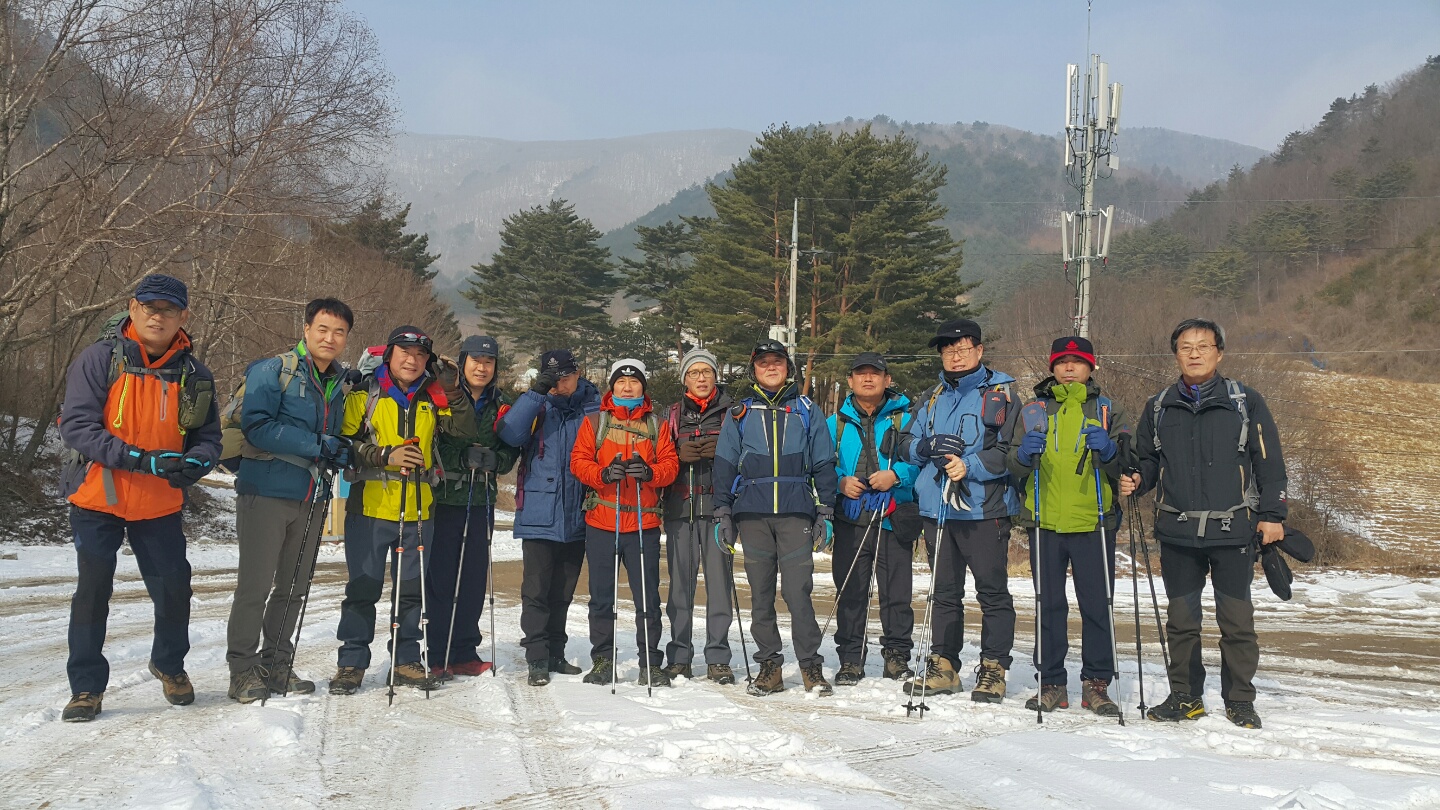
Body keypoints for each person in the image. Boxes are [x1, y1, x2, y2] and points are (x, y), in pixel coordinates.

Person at [57, 273, 222, 722]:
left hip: (159, 503)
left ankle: (169, 665)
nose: (157, 316)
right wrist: (139, 459)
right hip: (97, 496)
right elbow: (77, 426)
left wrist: (199, 461)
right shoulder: (99, 359)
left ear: (183, 317)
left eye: (168, 310)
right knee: (92, 592)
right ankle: (86, 688)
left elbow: (209, 438)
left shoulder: (195, 374)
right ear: (133, 308)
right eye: (149, 307)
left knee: (174, 588)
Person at [1120, 318, 1287, 730]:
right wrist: (1138, 478)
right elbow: (1148, 461)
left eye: (1203, 346)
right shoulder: (1158, 406)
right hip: (1177, 532)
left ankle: (1240, 700)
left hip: (1233, 530)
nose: (1194, 354)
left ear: (1219, 352)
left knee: (1237, 622)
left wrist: (1272, 516)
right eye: (1186, 347)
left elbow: (1270, 463)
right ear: (1175, 354)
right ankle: (1185, 696)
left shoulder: (1246, 401)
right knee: (1181, 622)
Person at [226, 298, 356, 703]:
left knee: (294, 587)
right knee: (255, 586)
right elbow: (257, 426)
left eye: (339, 332)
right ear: (306, 330)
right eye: (323, 329)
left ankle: (277, 664)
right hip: (265, 490)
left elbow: (337, 436)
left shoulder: (339, 383)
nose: (330, 338)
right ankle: (242, 670)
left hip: (312, 495)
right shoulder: (272, 371)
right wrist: (318, 444)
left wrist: (340, 450)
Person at [1006, 336, 1130, 716]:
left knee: (1097, 606)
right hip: (1044, 521)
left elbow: (1129, 465)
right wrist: (1023, 455)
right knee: (1049, 605)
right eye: (1062, 362)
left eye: (1078, 361)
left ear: (1091, 367)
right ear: (1052, 367)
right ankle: (1051, 682)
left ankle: (1096, 683)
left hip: (1094, 520)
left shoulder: (1108, 409)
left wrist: (1110, 451)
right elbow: (1011, 465)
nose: (1070, 367)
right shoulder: (1033, 410)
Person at [899, 318, 1020, 703]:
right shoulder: (931, 396)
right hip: (937, 509)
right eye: (948, 350)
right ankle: (944, 666)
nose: (955, 355)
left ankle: (994, 668)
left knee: (992, 592)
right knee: (944, 593)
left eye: (963, 348)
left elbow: (1011, 452)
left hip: (983, 510)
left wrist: (970, 465)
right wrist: (924, 448)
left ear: (979, 350)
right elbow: (904, 442)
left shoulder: (1002, 394)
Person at [711, 340, 838, 697]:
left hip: (796, 511)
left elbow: (824, 462)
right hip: (752, 514)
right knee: (761, 595)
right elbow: (724, 464)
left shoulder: (806, 410)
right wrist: (722, 512)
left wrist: (826, 510)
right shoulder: (740, 412)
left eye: (777, 362)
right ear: (753, 370)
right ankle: (770, 666)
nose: (770, 367)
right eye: (763, 362)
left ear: (788, 367)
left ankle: (810, 665)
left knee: (798, 593)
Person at [330, 326, 451, 696]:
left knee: (411, 592)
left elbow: (459, 432)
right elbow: (342, 443)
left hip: (419, 509)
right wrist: (384, 455)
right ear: (389, 355)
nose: (412, 360)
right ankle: (352, 663)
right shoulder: (365, 394)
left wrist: (452, 388)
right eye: (405, 353)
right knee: (362, 589)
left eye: (420, 355)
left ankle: (405, 660)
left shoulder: (433, 398)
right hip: (369, 508)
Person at [570, 359, 679, 687]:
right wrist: (602, 474)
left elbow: (670, 465)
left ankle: (650, 662)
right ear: (612, 386)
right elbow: (579, 461)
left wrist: (650, 472)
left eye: (634, 382)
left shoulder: (656, 425)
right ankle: (603, 660)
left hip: (643, 524)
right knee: (602, 597)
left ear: (643, 387)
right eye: (621, 381)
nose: (627, 387)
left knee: (648, 598)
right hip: (602, 522)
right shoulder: (595, 422)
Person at [496, 349, 601, 686]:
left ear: (578, 373)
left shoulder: (594, 407)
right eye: (551, 377)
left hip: (579, 512)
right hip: (539, 512)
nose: (559, 383)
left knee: (563, 591)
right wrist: (535, 393)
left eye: (564, 376)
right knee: (536, 591)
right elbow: (510, 433)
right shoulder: (536, 405)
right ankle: (537, 658)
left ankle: (556, 652)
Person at [825, 352, 920, 686]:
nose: (868, 379)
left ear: (887, 380)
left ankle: (897, 657)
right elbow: (820, 465)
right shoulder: (834, 424)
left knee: (897, 595)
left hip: (893, 519)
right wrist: (840, 482)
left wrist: (896, 475)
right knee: (850, 593)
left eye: (875, 373)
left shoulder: (907, 419)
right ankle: (851, 659)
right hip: (850, 521)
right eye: (861, 373)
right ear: (850, 381)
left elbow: (922, 460)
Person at [429, 335, 520, 677]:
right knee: (441, 577)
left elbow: (512, 447)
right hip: (444, 498)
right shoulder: (442, 395)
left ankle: (465, 650)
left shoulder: (503, 404)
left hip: (481, 498)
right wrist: (458, 457)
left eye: (489, 362)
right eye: (475, 361)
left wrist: (498, 460)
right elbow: (431, 437)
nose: (482, 368)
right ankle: (437, 652)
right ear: (463, 362)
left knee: (472, 577)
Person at [660, 349, 736, 684]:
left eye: (707, 371)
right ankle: (679, 656)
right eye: (694, 372)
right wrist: (677, 456)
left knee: (719, 587)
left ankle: (718, 657)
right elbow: (659, 459)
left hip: (719, 511)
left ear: (716, 375)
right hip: (681, 509)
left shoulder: (733, 413)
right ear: (685, 379)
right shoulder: (671, 415)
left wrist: (723, 454)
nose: (701, 378)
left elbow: (747, 457)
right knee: (680, 589)